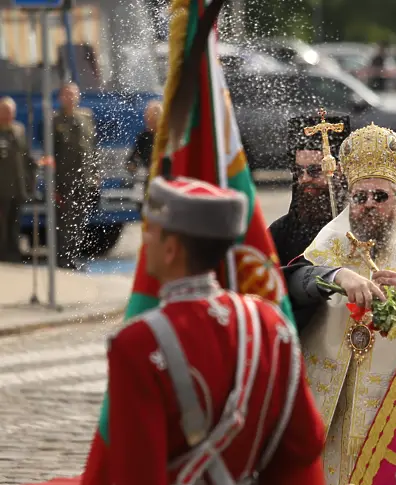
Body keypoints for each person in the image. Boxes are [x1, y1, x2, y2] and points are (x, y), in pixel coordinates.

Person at [80, 176, 326, 485]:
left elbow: (136, 472)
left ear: (170, 249)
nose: (145, 242)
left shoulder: (137, 343)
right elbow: (302, 448)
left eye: (150, 232)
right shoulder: (271, 325)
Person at [282, 123, 396, 485]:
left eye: (380, 196)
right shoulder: (333, 241)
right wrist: (336, 275)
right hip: (330, 404)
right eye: (361, 197)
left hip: (390, 410)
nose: (370, 204)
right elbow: (290, 281)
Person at [269, 112, 350, 266]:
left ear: (339, 171)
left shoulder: (359, 224)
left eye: (314, 171)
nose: (304, 179)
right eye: (298, 171)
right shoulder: (280, 233)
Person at [52, 82, 98, 270]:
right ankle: (63, 259)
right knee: (65, 221)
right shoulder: (55, 121)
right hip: (64, 180)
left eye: (73, 94)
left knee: (80, 220)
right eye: (67, 94)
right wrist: (54, 183)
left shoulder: (87, 117)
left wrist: (95, 174)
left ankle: (74, 257)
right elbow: (52, 153)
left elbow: (91, 149)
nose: (70, 98)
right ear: (61, 98)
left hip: (84, 179)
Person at [0, 97, 33, 262]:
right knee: (2, 225)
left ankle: (13, 253)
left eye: (10, 112)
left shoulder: (19, 130)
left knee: (14, 223)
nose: (7, 115)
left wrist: (30, 184)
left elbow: (26, 157)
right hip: (2, 189)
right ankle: (3, 254)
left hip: (17, 188)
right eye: (4, 112)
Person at [127, 100, 162, 176]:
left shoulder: (165, 135)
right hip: (151, 178)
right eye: (147, 117)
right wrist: (132, 165)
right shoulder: (144, 136)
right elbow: (133, 158)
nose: (148, 120)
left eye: (152, 118)